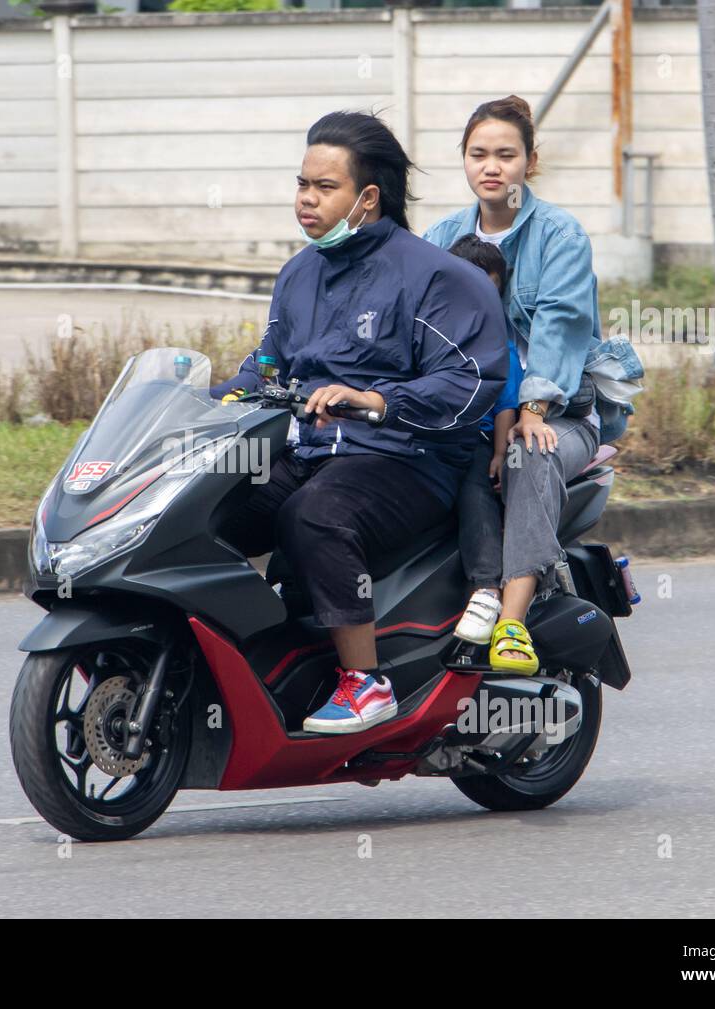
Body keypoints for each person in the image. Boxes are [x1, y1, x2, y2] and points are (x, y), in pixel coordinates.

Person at [213, 110, 507, 733]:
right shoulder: (299, 274)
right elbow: (267, 368)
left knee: (314, 515)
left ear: (367, 198)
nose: (305, 201)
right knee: (213, 508)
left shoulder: (436, 279)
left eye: (324, 188)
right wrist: (197, 400)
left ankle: (364, 683)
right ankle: (253, 661)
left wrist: (375, 401)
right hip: (311, 451)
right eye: (301, 185)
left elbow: (471, 381)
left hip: (409, 460)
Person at [424, 95, 631, 674]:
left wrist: (533, 408)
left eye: (506, 155)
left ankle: (510, 619)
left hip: (560, 414)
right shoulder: (440, 237)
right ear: (464, 161)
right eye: (478, 153)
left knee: (526, 452)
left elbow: (562, 326)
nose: (491, 166)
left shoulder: (559, 235)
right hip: (471, 410)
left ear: (529, 163)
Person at [441, 235, 526, 646]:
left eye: (489, 293)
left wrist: (497, 453)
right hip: (430, 440)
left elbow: (506, 405)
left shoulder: (499, 345)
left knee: (475, 491)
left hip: (474, 441)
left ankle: (487, 587)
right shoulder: (431, 333)